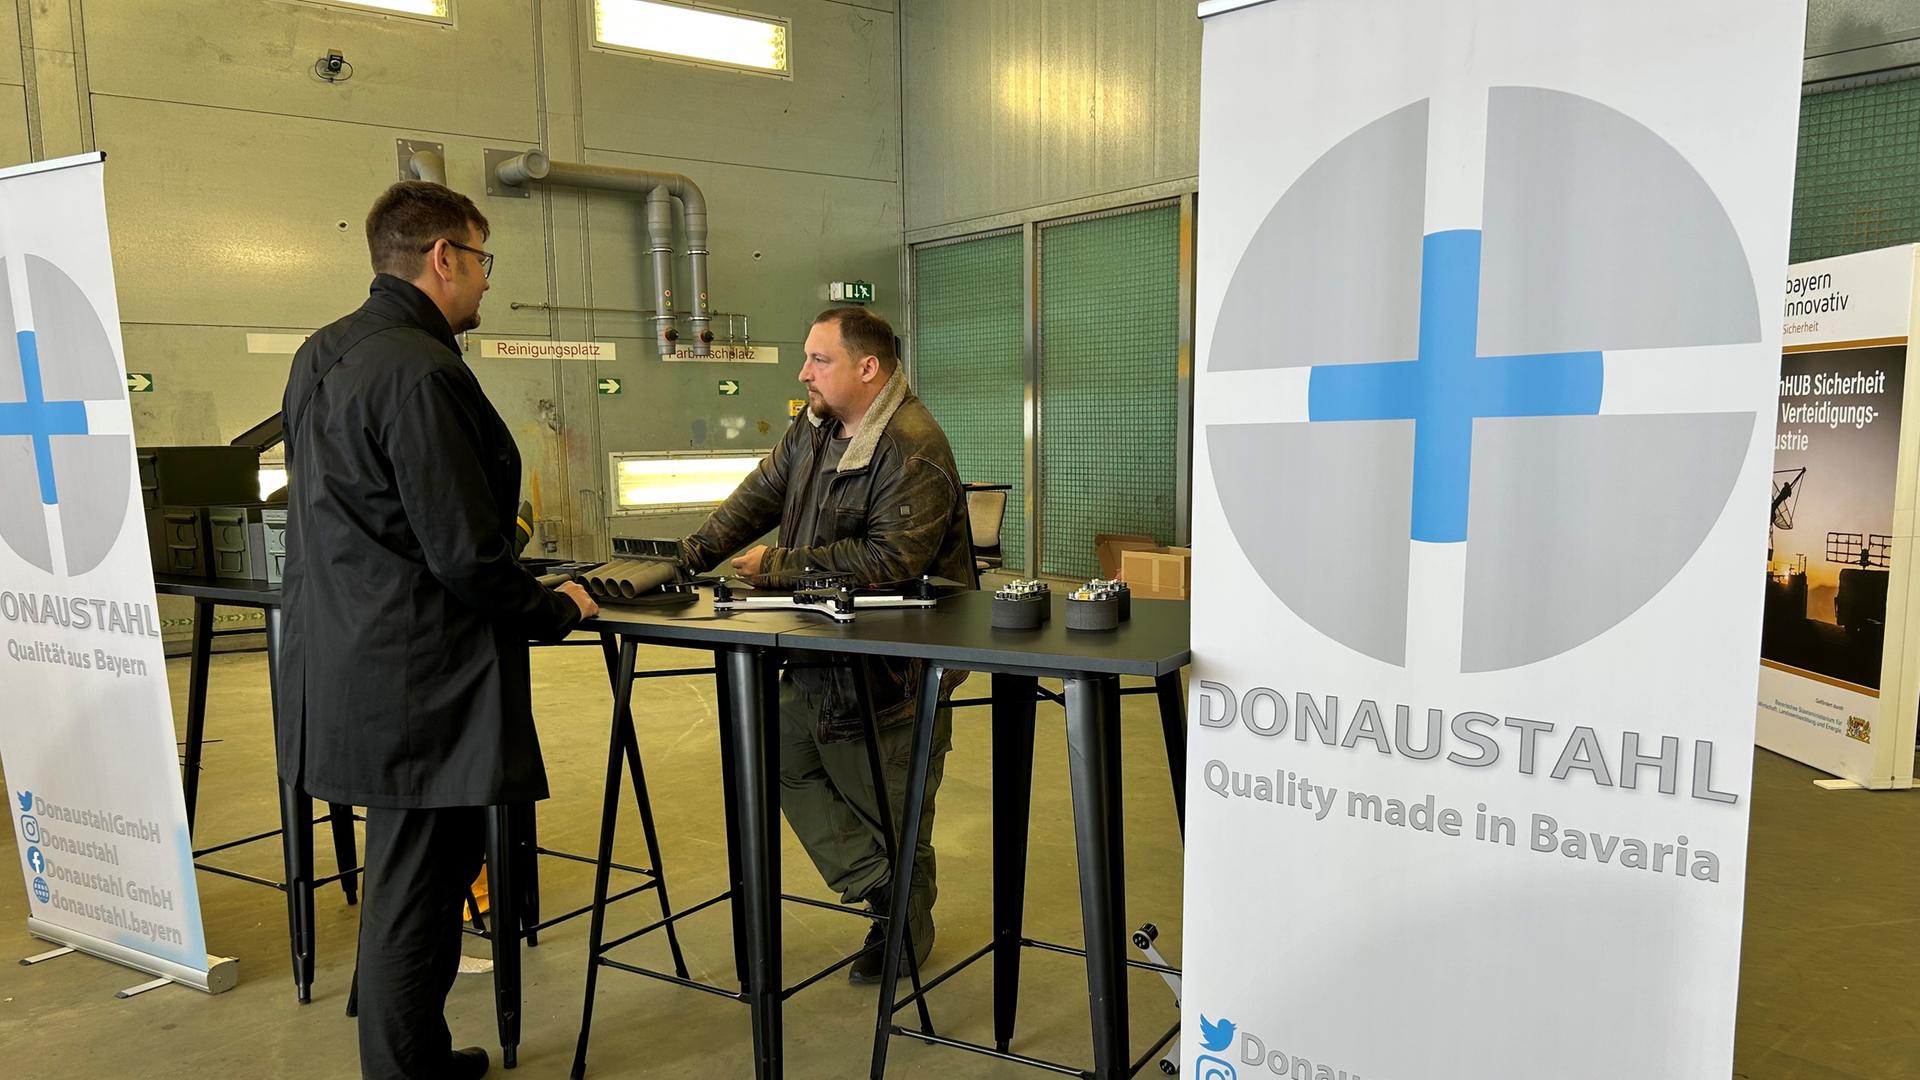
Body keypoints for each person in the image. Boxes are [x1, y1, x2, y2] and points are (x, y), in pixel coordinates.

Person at [279, 181, 598, 1079]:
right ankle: (404, 1069)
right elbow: (463, 551)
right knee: (418, 885)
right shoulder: (422, 371)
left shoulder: (322, 352)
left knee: (407, 872)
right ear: (443, 258)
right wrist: (555, 609)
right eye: (483, 261)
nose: (488, 285)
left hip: (345, 656)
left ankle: (415, 1051)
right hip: (420, 677)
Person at [680, 307, 975, 982]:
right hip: (819, 656)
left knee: (892, 812)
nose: (802, 372)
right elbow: (759, 495)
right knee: (771, 752)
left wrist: (778, 567)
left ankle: (901, 922)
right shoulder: (815, 429)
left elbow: (893, 560)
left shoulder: (911, 446)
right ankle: (886, 890)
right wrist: (687, 556)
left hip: (891, 676)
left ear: (867, 368)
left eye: (819, 360)